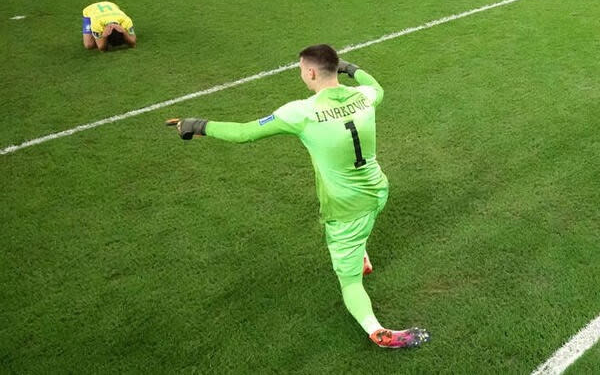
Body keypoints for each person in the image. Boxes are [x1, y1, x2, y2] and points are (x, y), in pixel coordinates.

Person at [167, 44, 430, 349]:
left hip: (346, 210)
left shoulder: (300, 112)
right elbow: (375, 85)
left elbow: (244, 132)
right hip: (378, 189)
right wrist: (351, 68)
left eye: (301, 71)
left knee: (349, 282)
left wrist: (196, 126)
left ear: (311, 72)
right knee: (364, 221)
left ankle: (377, 331)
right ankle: (361, 256)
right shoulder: (364, 97)